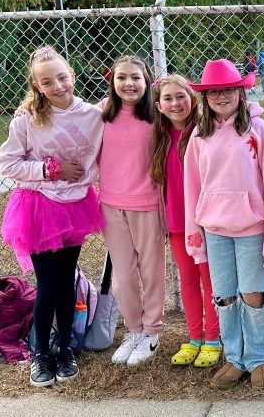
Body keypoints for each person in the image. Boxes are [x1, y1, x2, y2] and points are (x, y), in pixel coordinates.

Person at [0, 46, 105, 386]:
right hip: (39, 208)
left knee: (66, 280)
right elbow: (8, 163)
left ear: (72, 76)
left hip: (75, 207)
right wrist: (50, 168)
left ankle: (66, 350)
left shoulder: (93, 115)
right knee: (48, 284)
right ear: (37, 86)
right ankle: (41, 353)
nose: (57, 86)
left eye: (62, 78)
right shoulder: (27, 119)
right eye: (47, 82)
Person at [184, 59, 264, 390]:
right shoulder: (200, 134)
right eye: (213, 92)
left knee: (253, 294)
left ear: (241, 92)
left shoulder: (258, 130)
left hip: (251, 229)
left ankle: (260, 357)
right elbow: (192, 187)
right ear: (206, 97)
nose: (221, 96)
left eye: (228, 89)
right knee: (224, 296)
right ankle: (235, 357)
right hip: (214, 230)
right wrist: (194, 233)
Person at [150, 75, 221, 368]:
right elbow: (110, 109)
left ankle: (213, 338)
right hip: (177, 223)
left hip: (204, 221)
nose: (175, 103)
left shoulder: (206, 131)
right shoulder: (159, 135)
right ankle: (194, 338)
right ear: (159, 105)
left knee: (209, 280)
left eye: (181, 96)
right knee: (188, 280)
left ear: (192, 99)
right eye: (168, 98)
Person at [100, 56, 166, 367]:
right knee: (122, 276)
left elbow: (192, 112)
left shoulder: (157, 115)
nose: (129, 83)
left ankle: (152, 331)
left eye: (135, 78)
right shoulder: (101, 113)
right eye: (122, 77)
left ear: (147, 81)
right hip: (112, 205)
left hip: (148, 203)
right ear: (112, 82)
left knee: (151, 271)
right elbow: (67, 114)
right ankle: (134, 329)